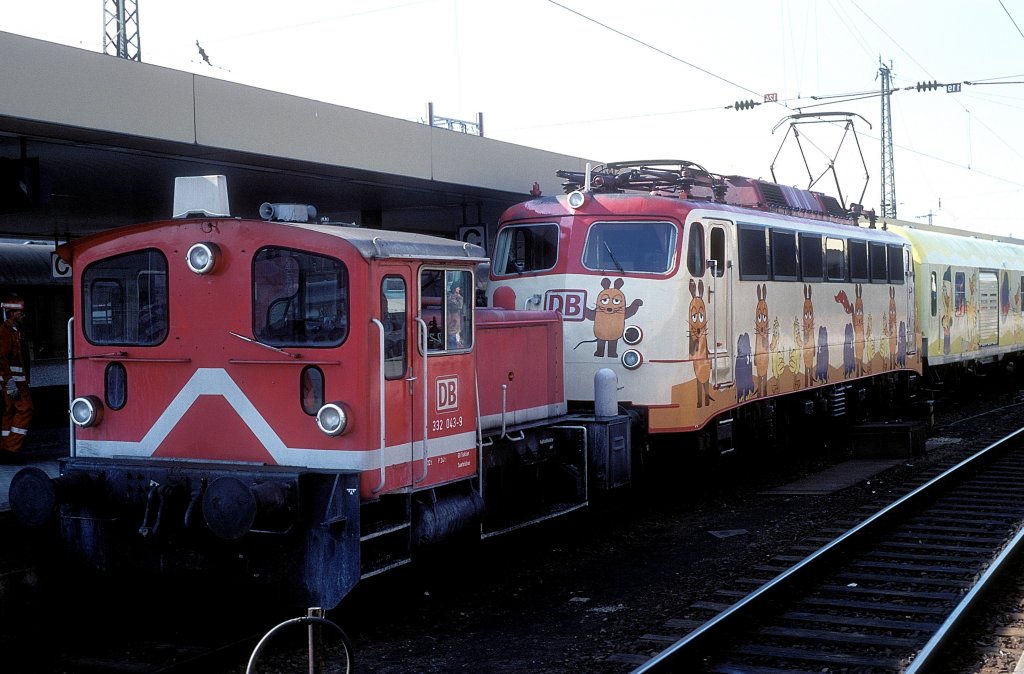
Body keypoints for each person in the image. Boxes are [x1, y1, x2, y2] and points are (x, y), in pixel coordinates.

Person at [0, 295, 32, 462]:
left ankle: (4, 447)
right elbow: (2, 359)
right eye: (20, 312)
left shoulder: (14, 332)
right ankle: (12, 449)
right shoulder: (5, 333)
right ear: (11, 313)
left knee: (10, 411)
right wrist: (10, 383)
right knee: (25, 409)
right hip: (13, 384)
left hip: (14, 382)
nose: (23, 315)